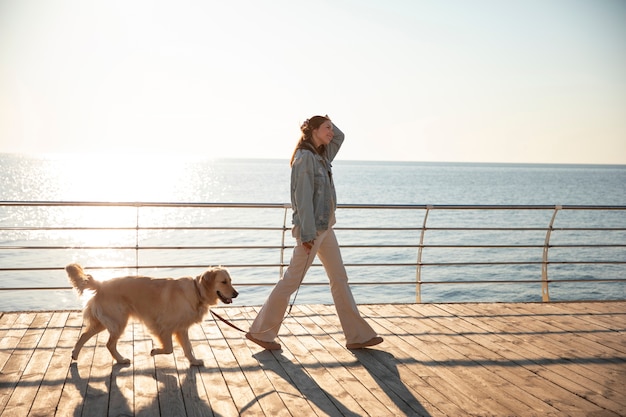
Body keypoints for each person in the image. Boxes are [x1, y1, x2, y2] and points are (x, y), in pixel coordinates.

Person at [246, 115, 383, 350]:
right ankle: (261, 332)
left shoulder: (322, 155)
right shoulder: (305, 159)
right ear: (314, 131)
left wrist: (325, 121)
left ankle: (357, 336)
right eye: (326, 128)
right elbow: (303, 200)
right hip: (312, 231)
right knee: (291, 281)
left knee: (339, 279)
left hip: (325, 228)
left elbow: (340, 137)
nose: (332, 132)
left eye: (331, 127)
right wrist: (307, 235)